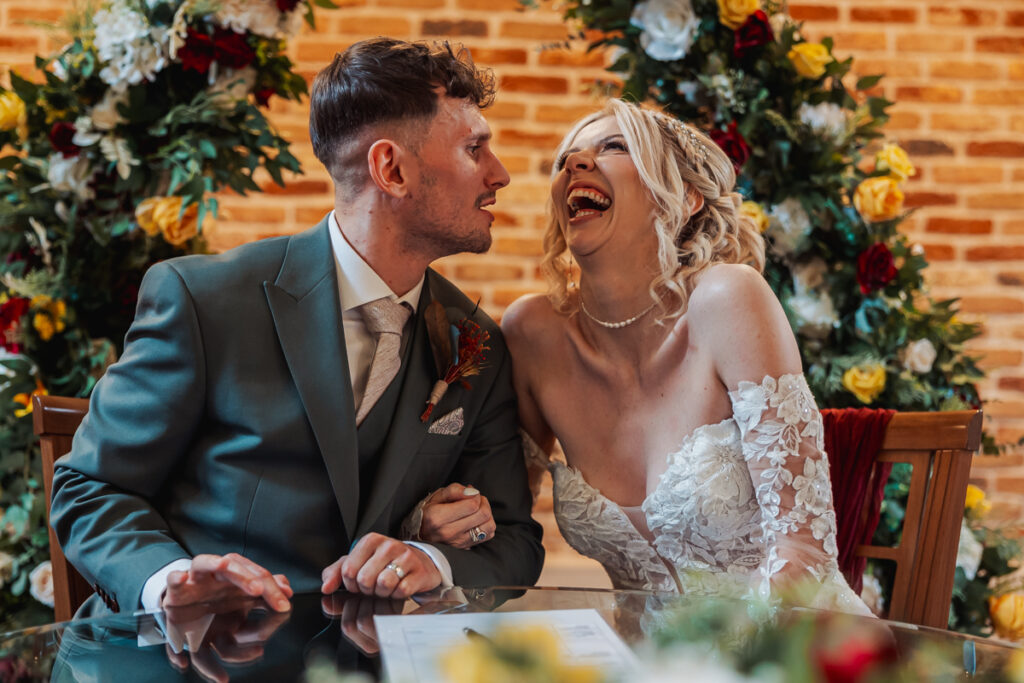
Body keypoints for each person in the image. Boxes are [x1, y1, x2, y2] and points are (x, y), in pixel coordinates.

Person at [49, 37, 544, 621]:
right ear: (390, 168)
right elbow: (90, 490)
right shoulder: (205, 300)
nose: (500, 173)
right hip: (194, 658)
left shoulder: (475, 342)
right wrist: (169, 582)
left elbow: (514, 538)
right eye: (474, 148)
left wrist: (429, 558)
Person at [419, 98, 870, 614]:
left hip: (791, 650)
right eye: (567, 158)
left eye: (614, 147)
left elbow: (803, 553)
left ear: (687, 197)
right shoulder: (533, 335)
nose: (576, 164)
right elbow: (496, 519)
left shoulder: (728, 299)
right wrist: (436, 525)